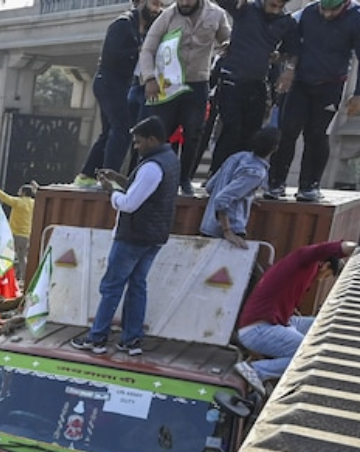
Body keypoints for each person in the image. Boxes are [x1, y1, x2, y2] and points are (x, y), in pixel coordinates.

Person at [71, 116, 180, 356]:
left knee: (112, 286)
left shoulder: (151, 167)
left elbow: (129, 203)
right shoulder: (169, 159)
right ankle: (130, 340)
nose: (136, 147)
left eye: (139, 142)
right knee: (137, 286)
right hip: (155, 236)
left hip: (133, 236)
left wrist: (111, 191)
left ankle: (97, 338)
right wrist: (120, 179)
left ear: (152, 140)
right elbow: (145, 190)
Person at [266, 0, 360, 201]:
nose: (326, 15)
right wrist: (288, 68)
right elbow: (291, 39)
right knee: (287, 131)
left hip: (330, 86)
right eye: (323, 9)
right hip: (300, 82)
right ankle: (275, 182)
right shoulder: (307, 12)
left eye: (332, 10)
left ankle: (310, 185)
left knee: (316, 134)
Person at [234, 239, 356, 393]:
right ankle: (256, 370)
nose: (322, 279)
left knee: (322, 325)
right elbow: (327, 248)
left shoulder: (302, 274)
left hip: (277, 323)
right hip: (257, 330)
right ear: (325, 265)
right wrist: (359, 247)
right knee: (308, 353)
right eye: (327, 275)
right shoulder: (304, 260)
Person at [136, 0, 231, 195]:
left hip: (198, 83)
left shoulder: (216, 15)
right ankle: (151, 175)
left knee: (194, 133)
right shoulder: (167, 16)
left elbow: (227, 39)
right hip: (168, 83)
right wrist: (149, 78)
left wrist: (228, 45)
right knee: (160, 132)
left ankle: (185, 178)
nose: (185, 3)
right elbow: (148, 49)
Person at [74, 0, 166, 189]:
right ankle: (110, 177)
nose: (157, 9)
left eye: (160, 5)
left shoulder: (146, 28)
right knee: (122, 128)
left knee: (109, 131)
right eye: (154, 4)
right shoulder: (123, 24)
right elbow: (111, 53)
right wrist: (138, 51)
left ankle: (86, 175)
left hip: (120, 84)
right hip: (108, 82)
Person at [206, 0, 299, 177]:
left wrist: (286, 65)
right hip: (232, 77)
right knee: (231, 127)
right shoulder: (245, 8)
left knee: (251, 131)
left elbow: (293, 50)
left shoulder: (286, 21)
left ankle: (239, 173)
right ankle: (217, 172)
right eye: (272, 5)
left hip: (257, 82)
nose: (275, 10)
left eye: (279, 7)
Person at [200, 127, 281, 247]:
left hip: (208, 226)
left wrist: (246, 196)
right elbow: (222, 199)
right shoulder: (256, 172)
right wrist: (227, 232)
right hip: (231, 230)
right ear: (275, 148)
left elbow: (210, 187)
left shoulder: (237, 157)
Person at [0, 179, 39, 279]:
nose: (18, 191)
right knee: (22, 258)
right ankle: (24, 278)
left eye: (20, 190)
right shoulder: (34, 203)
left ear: (23, 192)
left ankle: (3, 277)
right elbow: (42, 198)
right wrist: (36, 188)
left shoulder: (18, 202)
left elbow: (4, 197)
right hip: (26, 235)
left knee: (6, 255)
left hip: (14, 234)